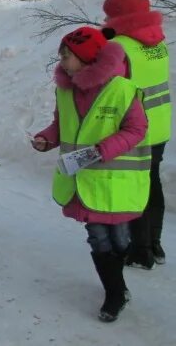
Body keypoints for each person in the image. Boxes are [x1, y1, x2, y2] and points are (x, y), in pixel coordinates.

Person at [32, 27, 150, 322]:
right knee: (99, 239)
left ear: (86, 58)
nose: (61, 61)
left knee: (120, 241)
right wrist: (46, 139)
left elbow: (137, 129)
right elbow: (60, 125)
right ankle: (115, 293)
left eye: (67, 55)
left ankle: (116, 279)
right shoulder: (65, 90)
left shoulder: (121, 88)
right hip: (82, 181)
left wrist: (104, 149)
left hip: (114, 183)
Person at [102, 0, 171, 269]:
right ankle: (155, 244)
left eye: (109, 16)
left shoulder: (119, 47)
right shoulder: (157, 42)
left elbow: (108, 88)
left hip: (135, 131)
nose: (105, 21)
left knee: (137, 189)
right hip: (160, 125)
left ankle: (140, 250)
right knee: (153, 183)